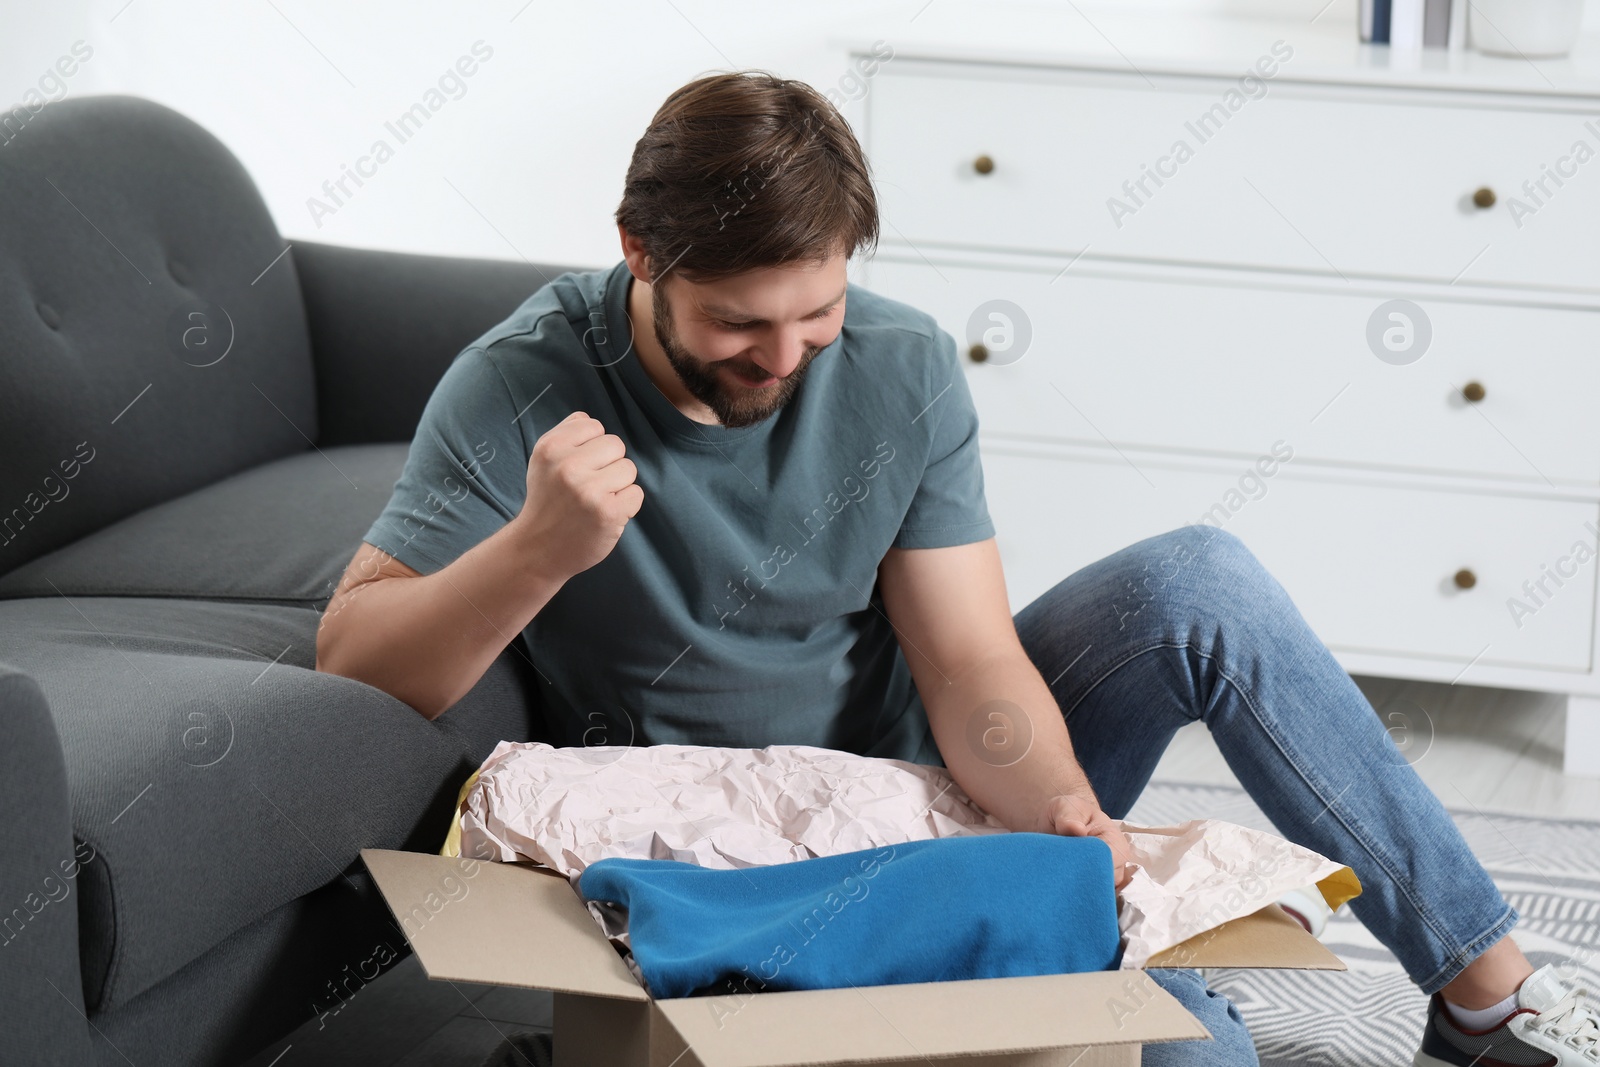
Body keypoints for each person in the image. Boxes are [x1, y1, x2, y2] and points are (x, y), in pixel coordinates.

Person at [314, 71, 1598, 1067]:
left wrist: (1059, 815)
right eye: (740, 324)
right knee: (1202, 1045)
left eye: (815, 315)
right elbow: (357, 657)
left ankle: (1488, 1002)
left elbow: (970, 658)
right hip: (721, 849)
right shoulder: (518, 380)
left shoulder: (901, 363)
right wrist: (541, 545)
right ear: (640, 254)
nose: (783, 357)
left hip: (932, 791)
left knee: (1195, 578)